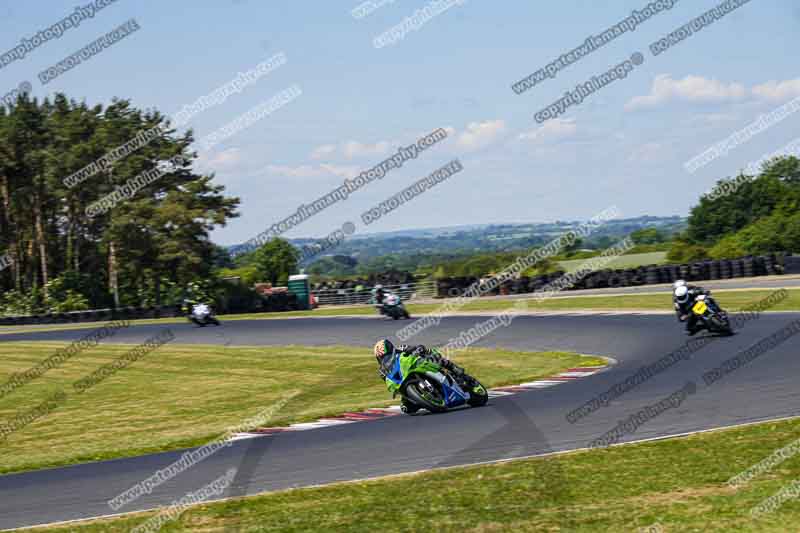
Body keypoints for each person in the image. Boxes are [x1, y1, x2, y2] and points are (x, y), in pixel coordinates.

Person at [373, 339, 466, 413]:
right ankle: (424, 401)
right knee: (406, 408)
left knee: (433, 358)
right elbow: (389, 381)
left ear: (391, 350)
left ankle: (453, 368)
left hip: (417, 365)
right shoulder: (383, 371)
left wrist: (417, 350)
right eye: (382, 358)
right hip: (403, 382)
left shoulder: (401, 349)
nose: (385, 359)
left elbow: (415, 348)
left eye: (387, 356)